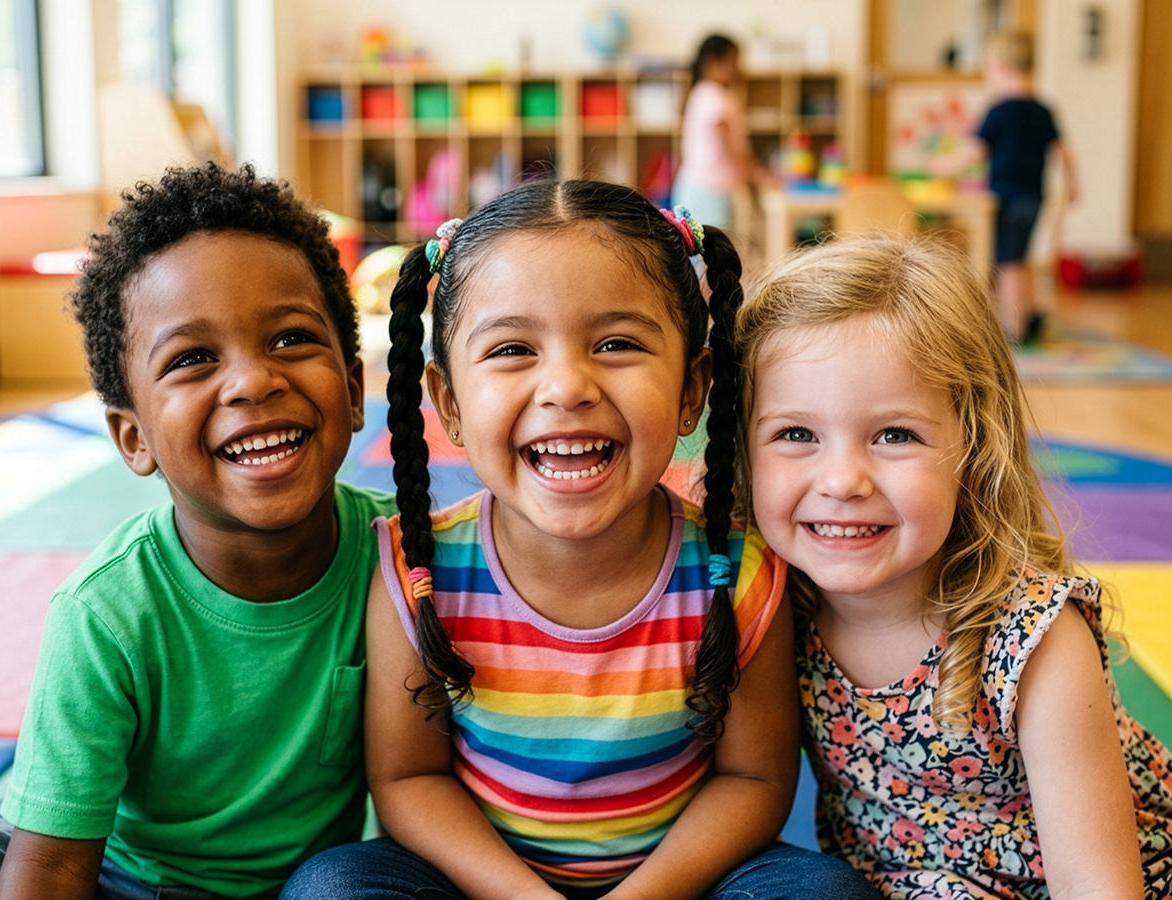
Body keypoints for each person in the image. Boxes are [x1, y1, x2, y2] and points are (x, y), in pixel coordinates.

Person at [281, 180, 880, 900]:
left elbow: (753, 781)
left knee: (824, 893)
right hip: (482, 884)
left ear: (693, 388)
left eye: (617, 343)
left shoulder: (738, 570)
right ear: (449, 405)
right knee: (335, 886)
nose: (566, 386)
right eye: (512, 349)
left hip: (682, 883)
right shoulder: (419, 570)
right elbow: (409, 780)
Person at [0, 162, 397, 900]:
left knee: (352, 884)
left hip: (307, 888)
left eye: (292, 338)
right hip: (123, 881)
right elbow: (53, 862)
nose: (252, 382)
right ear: (133, 438)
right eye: (193, 359)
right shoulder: (106, 614)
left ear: (356, 390)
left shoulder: (405, 559)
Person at [733, 233, 1172, 899]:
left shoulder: (1032, 640)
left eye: (895, 436)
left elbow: (1100, 885)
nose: (843, 479)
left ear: (973, 446)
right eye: (797, 434)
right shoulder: (773, 604)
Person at [974, 30, 1076, 344]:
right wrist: (1073, 186)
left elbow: (975, 151)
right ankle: (1030, 317)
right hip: (1033, 197)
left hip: (1005, 198)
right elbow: (1063, 152)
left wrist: (940, 166)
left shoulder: (999, 110)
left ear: (1002, 68)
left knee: (1008, 263)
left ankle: (1011, 330)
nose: (988, 78)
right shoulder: (1042, 109)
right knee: (1021, 258)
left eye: (989, 71)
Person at [671, 34, 769, 233]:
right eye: (734, 63)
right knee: (713, 257)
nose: (739, 70)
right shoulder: (714, 96)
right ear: (713, 63)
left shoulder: (703, 92)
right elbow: (729, 147)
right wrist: (759, 175)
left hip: (701, 189)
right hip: (709, 193)